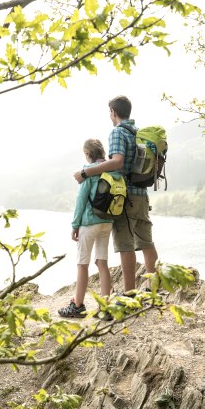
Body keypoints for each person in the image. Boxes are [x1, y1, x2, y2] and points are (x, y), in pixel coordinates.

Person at [73, 96, 158, 294]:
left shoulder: (118, 132)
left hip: (125, 198)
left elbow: (117, 162)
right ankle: (154, 288)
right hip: (142, 195)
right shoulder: (138, 132)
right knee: (147, 242)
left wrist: (86, 172)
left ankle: (129, 294)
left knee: (125, 245)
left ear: (113, 112)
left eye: (109, 112)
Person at [58, 139, 113, 318]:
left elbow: (81, 200)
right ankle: (105, 308)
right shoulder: (112, 169)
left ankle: (78, 305)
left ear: (88, 155)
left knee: (83, 264)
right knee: (102, 263)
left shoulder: (88, 172)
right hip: (107, 221)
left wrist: (75, 225)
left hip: (89, 223)